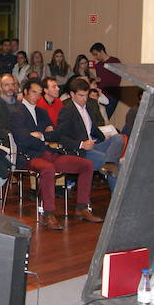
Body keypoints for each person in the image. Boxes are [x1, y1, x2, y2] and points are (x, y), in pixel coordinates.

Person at [11, 79, 101, 230]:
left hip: (49, 153)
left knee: (86, 165)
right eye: (34, 92)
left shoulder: (41, 112)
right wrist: (44, 137)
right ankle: (48, 213)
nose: (37, 96)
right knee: (48, 169)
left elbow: (56, 134)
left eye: (39, 94)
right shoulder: (17, 113)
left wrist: (41, 136)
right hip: (28, 156)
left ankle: (82, 207)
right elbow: (22, 139)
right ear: (25, 92)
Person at [57, 78, 124, 191]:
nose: (85, 99)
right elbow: (60, 137)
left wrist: (104, 138)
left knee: (118, 138)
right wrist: (81, 144)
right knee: (118, 166)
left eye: (86, 95)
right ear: (72, 94)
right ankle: (111, 167)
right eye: (81, 95)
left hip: (93, 144)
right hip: (80, 150)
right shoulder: (66, 110)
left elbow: (93, 129)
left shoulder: (89, 106)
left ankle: (109, 163)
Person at [89, 43, 121, 118]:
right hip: (101, 96)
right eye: (94, 55)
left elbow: (117, 80)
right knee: (98, 118)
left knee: (104, 118)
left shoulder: (114, 61)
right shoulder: (98, 65)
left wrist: (100, 80)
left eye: (96, 54)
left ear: (102, 51)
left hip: (112, 95)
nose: (95, 57)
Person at [0, 74, 20, 141]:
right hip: (8, 142)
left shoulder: (20, 104)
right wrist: (17, 135)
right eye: (6, 85)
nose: (10, 87)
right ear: (0, 87)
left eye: (12, 84)